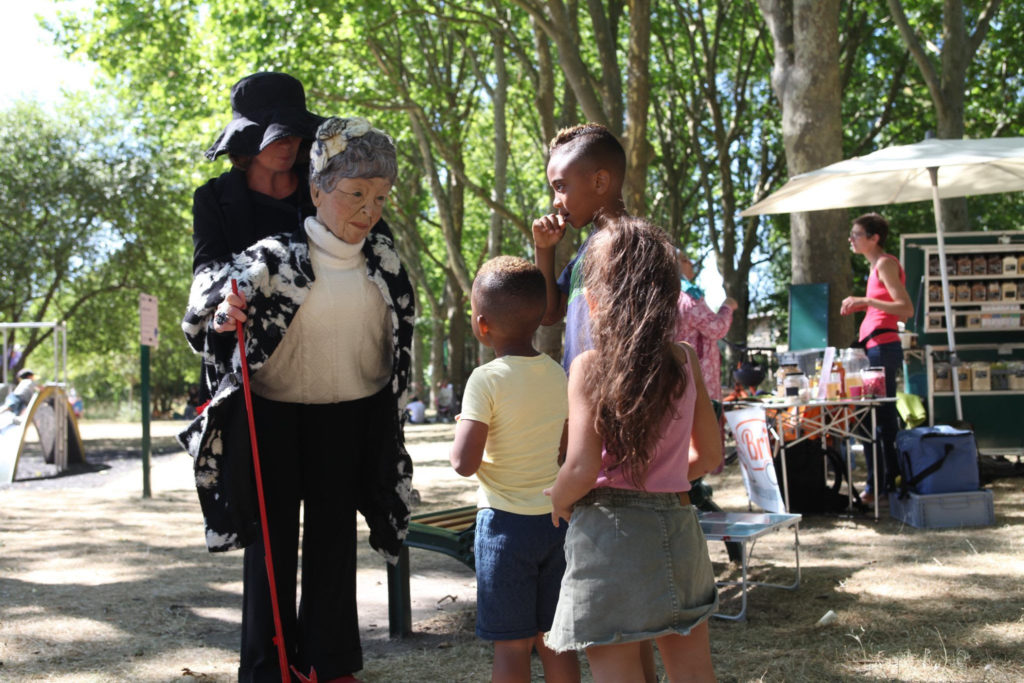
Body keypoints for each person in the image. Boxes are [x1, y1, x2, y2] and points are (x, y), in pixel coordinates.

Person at [179, 116, 415, 682]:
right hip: (273, 419)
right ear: (316, 191)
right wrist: (221, 313)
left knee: (335, 542)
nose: (368, 208)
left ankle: (331, 663)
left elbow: (398, 345)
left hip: (350, 417)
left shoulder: (387, 266)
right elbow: (204, 307)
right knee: (270, 548)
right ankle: (269, 667)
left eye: (379, 196)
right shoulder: (271, 258)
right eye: (354, 193)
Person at [545, 218, 721, 682]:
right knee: (694, 674)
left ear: (596, 302)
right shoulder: (685, 361)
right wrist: (664, 476)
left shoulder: (588, 367)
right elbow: (710, 457)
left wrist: (559, 498)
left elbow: (581, 467)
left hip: (609, 536)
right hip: (679, 528)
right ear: (668, 299)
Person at [193, 72, 395, 405]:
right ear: (246, 140)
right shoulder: (212, 199)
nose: (289, 143)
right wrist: (222, 310)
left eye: (295, 132)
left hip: (338, 369)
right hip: (253, 382)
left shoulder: (333, 185)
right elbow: (207, 276)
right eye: (277, 135)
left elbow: (381, 256)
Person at [449, 256, 580, 683]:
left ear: (482, 325)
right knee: (556, 639)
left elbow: (463, 464)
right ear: (541, 317)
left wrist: (466, 432)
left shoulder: (484, 380)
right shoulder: (558, 375)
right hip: (555, 523)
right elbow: (563, 453)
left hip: (503, 528)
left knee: (510, 646)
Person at [533, 123, 628, 372]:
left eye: (561, 186)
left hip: (613, 395)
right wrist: (544, 249)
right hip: (581, 397)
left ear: (599, 182)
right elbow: (549, 314)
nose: (555, 202)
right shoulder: (586, 251)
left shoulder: (635, 247)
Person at [840, 212, 913, 506]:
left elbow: (905, 308)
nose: (851, 239)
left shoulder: (884, 263)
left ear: (874, 238)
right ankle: (881, 486)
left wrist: (865, 301)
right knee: (874, 419)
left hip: (883, 349)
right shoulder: (876, 268)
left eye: (856, 234)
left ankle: (882, 488)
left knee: (877, 419)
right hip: (875, 348)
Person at [674, 249, 738, 401]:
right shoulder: (688, 296)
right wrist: (727, 307)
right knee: (704, 422)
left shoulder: (661, 296)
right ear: (673, 265)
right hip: (699, 380)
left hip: (676, 378)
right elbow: (716, 329)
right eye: (684, 259)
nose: (690, 263)